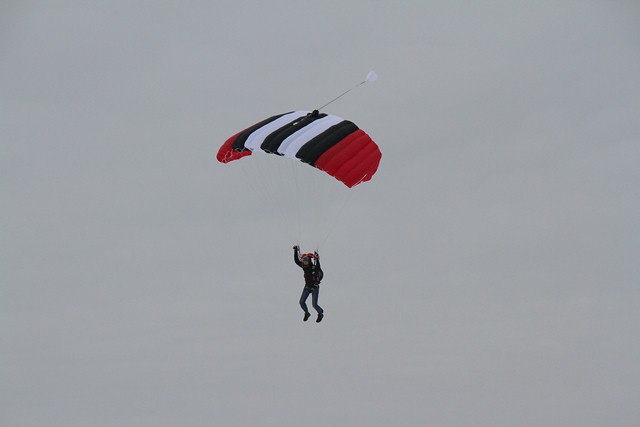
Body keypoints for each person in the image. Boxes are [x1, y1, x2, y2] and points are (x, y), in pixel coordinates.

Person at [293, 245, 324, 322]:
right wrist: (295, 250)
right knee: (301, 302)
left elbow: (319, 270)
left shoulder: (314, 267)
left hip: (314, 288)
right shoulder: (304, 267)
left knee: (314, 305)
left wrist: (317, 259)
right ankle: (307, 313)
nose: (305, 262)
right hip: (307, 287)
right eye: (304, 261)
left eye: (306, 261)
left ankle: (320, 313)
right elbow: (296, 261)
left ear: (309, 261)